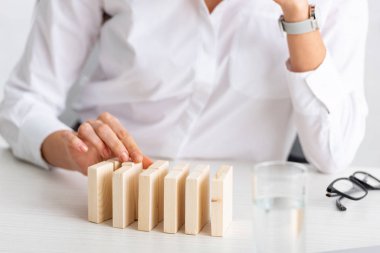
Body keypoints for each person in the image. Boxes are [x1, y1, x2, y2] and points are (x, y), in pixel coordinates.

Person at [0, 0, 368, 175]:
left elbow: (333, 153)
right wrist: (71, 151)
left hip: (237, 213)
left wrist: (299, 15)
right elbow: (23, 100)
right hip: (102, 195)